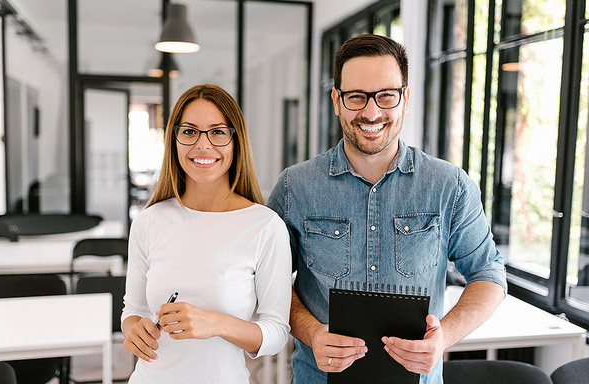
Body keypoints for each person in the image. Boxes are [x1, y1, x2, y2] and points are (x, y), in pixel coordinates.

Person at [268, 34, 507, 384]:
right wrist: (311, 333)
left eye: (386, 96)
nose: (371, 111)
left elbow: (488, 273)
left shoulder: (449, 185)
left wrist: (445, 337)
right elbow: (268, 282)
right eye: (355, 97)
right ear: (337, 101)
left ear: (405, 98)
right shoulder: (294, 188)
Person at [122, 84, 292, 383]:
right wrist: (134, 329)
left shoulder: (265, 226)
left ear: (235, 141)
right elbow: (133, 310)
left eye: (218, 132)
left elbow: (277, 333)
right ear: (174, 140)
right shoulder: (149, 221)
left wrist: (216, 323)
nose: (202, 145)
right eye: (189, 131)